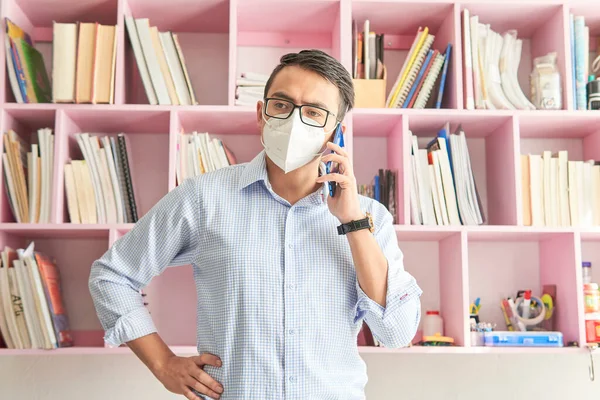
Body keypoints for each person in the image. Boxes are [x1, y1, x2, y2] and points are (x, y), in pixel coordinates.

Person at [89, 49, 422, 400]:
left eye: (313, 112)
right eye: (282, 105)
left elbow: (397, 332)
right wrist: (163, 364)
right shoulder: (205, 197)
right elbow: (112, 275)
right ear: (261, 115)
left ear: (335, 132)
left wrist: (353, 222)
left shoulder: (370, 218)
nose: (294, 121)